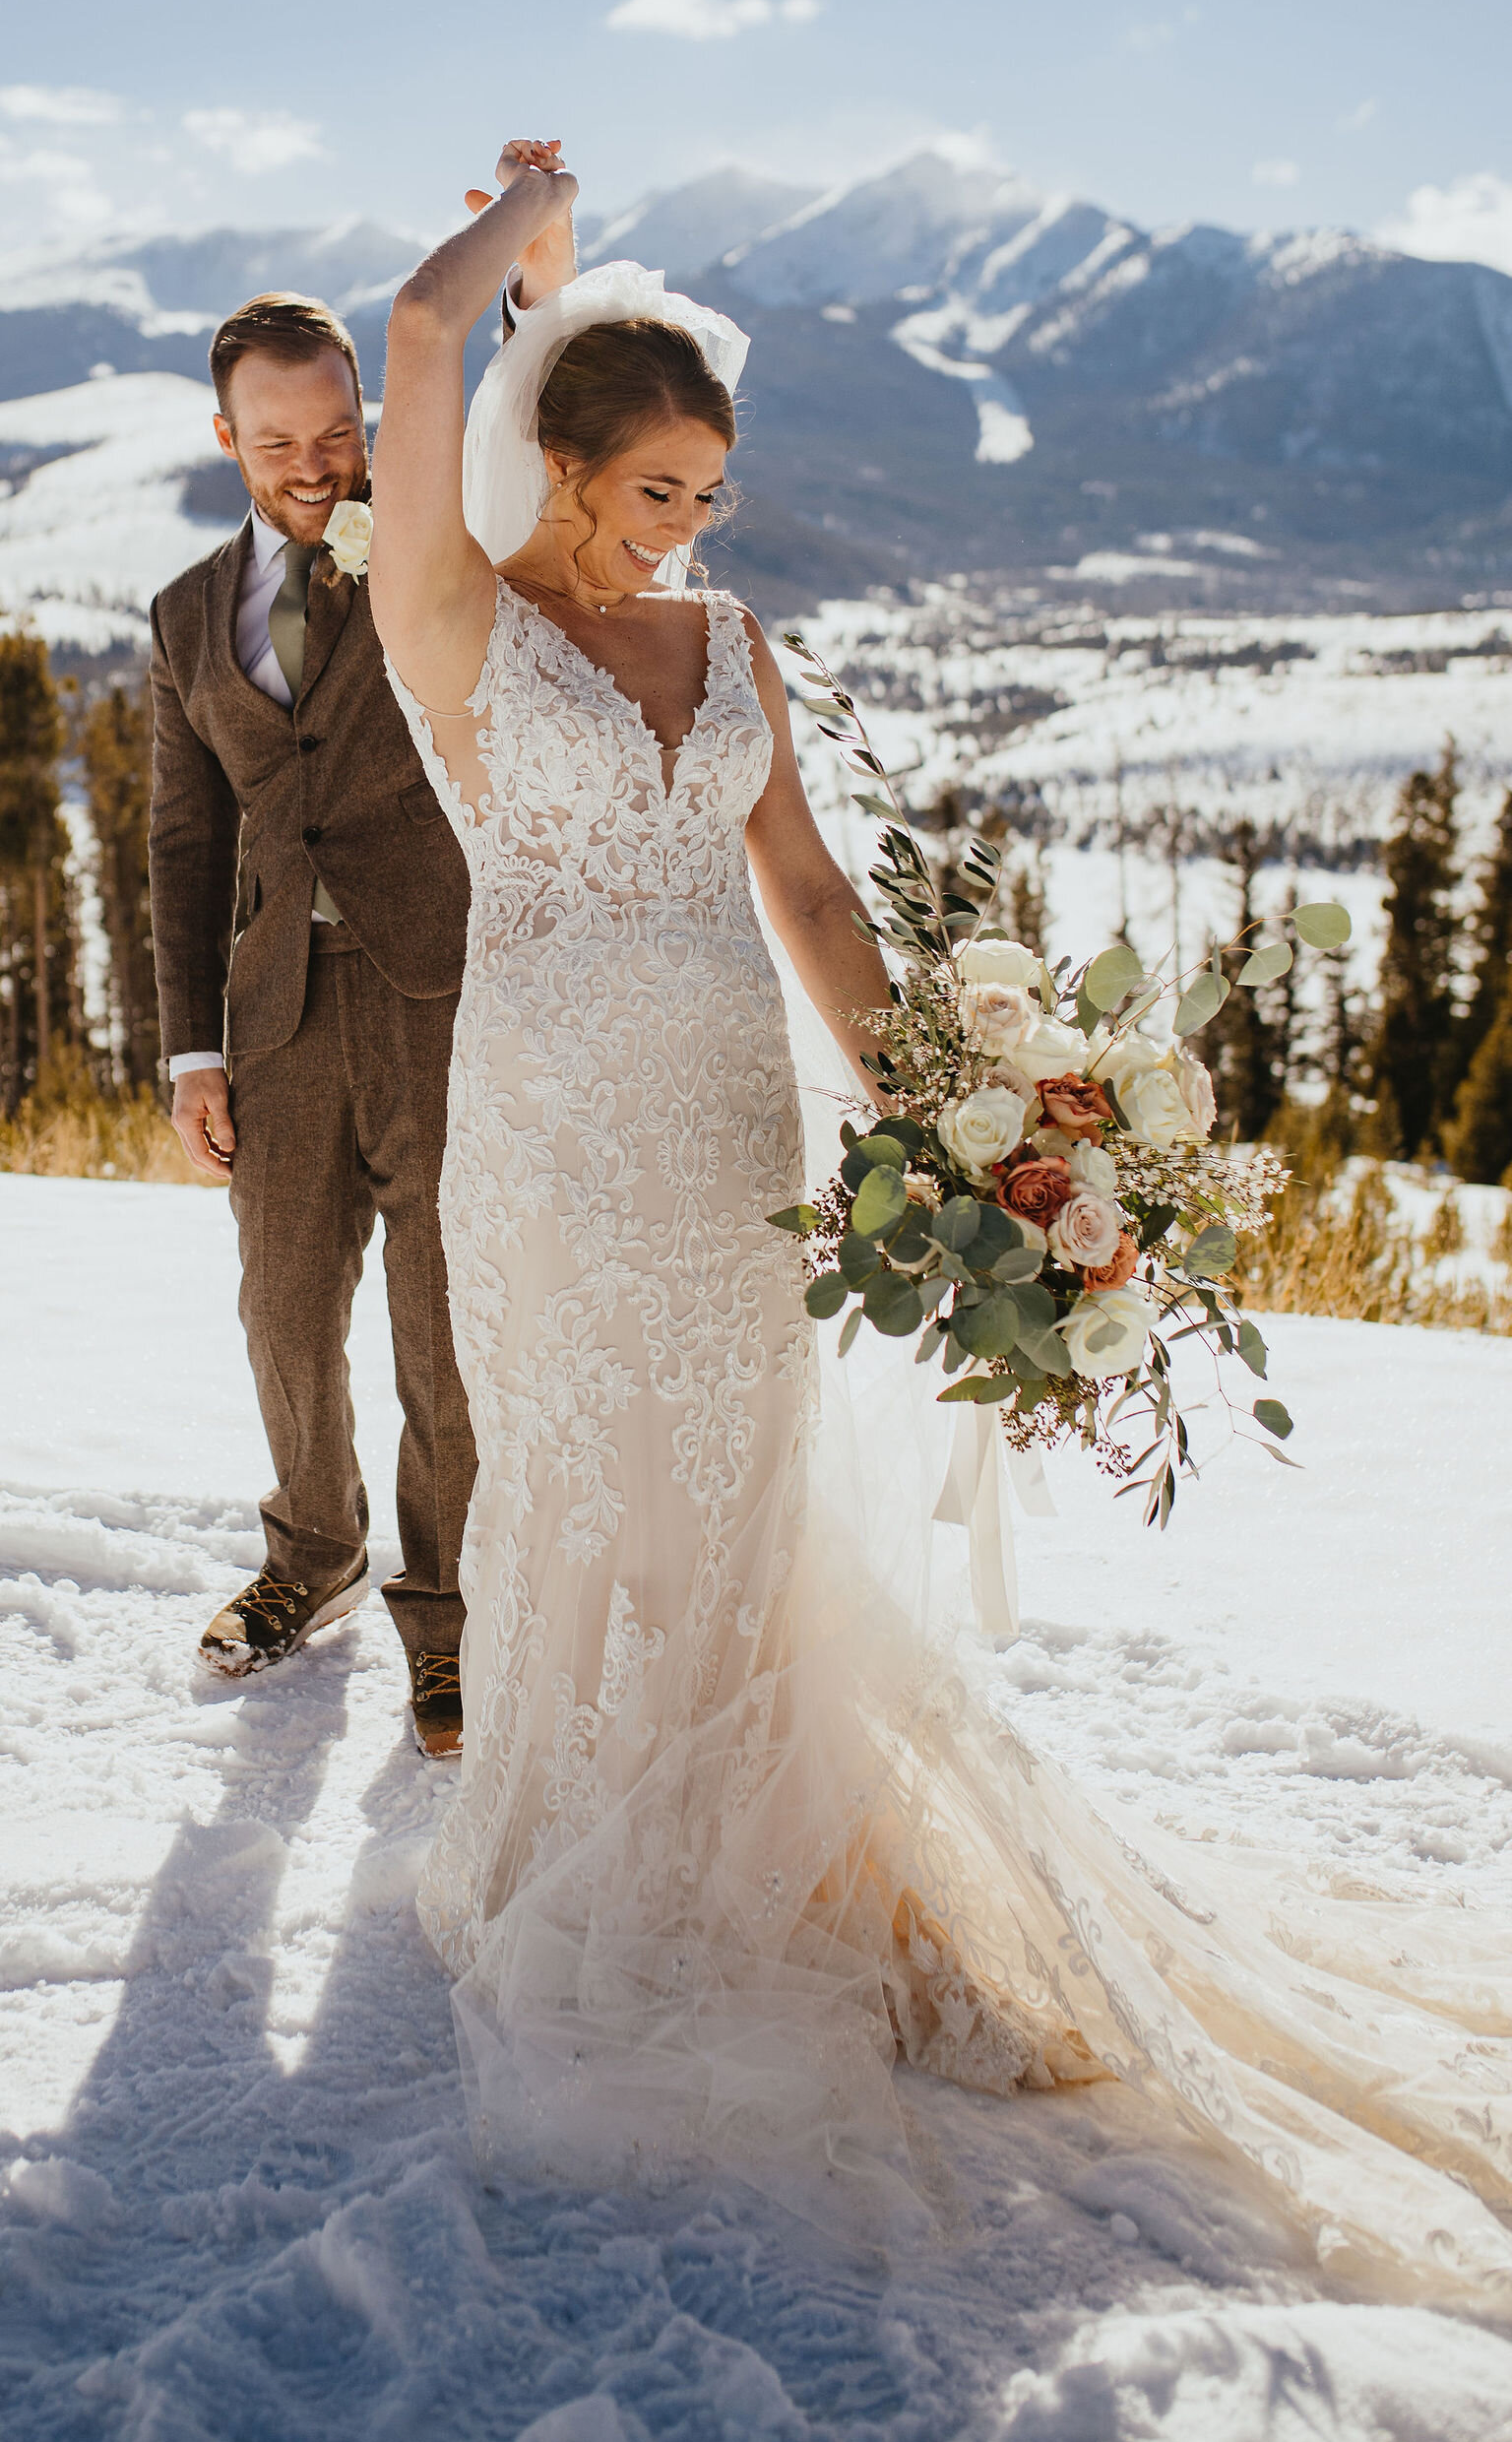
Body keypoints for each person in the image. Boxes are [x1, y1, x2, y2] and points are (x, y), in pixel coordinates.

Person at [366, 142, 1512, 2299]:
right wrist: (528, 237)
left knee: (732, 1479)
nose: (687, 525)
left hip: (723, 1111)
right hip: (545, 1120)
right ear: (556, 465)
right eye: (654, 489)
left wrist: (960, 1123)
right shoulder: (448, 618)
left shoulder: (728, 637)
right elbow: (426, 342)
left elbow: (797, 887)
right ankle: (557, 1840)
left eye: (712, 490)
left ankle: (737, 1849)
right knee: (580, 1475)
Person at [147, 289, 474, 1755]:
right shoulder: (182, 617)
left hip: (442, 989)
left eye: (338, 430)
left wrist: (535, 266)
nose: (314, 461)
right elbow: (183, 845)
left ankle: (452, 1607)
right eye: (278, 438)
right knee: (283, 1309)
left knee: (442, 1324)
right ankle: (311, 1556)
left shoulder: (437, 550)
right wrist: (189, 1048)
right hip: (275, 1010)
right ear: (228, 439)